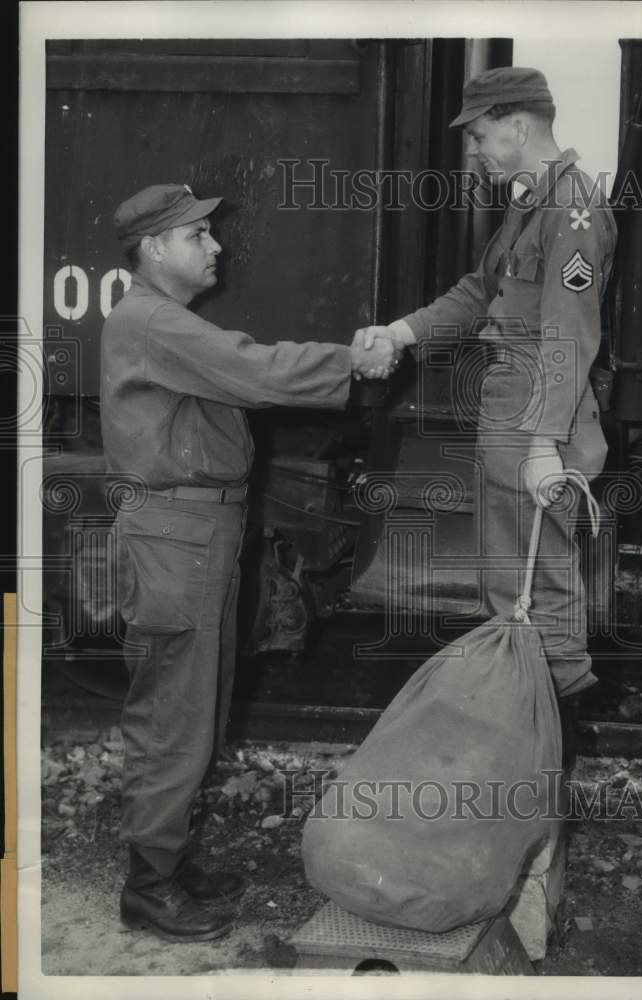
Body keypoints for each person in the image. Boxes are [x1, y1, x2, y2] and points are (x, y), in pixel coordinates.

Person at [100, 182, 396, 943]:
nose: (216, 246)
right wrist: (351, 361)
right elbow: (257, 369)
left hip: (193, 539)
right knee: (174, 717)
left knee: (195, 708)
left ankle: (167, 862)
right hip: (177, 540)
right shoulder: (155, 322)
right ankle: (149, 886)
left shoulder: (162, 321)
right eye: (198, 235)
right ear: (156, 247)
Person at [355, 67, 617, 699]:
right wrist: (400, 331)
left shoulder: (573, 208)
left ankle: (544, 741)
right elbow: (481, 292)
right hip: (513, 405)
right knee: (511, 588)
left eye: (479, 135)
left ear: (517, 126)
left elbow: (569, 331)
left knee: (538, 590)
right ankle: (527, 737)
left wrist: (544, 445)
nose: (473, 152)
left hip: (536, 411)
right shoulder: (531, 205)